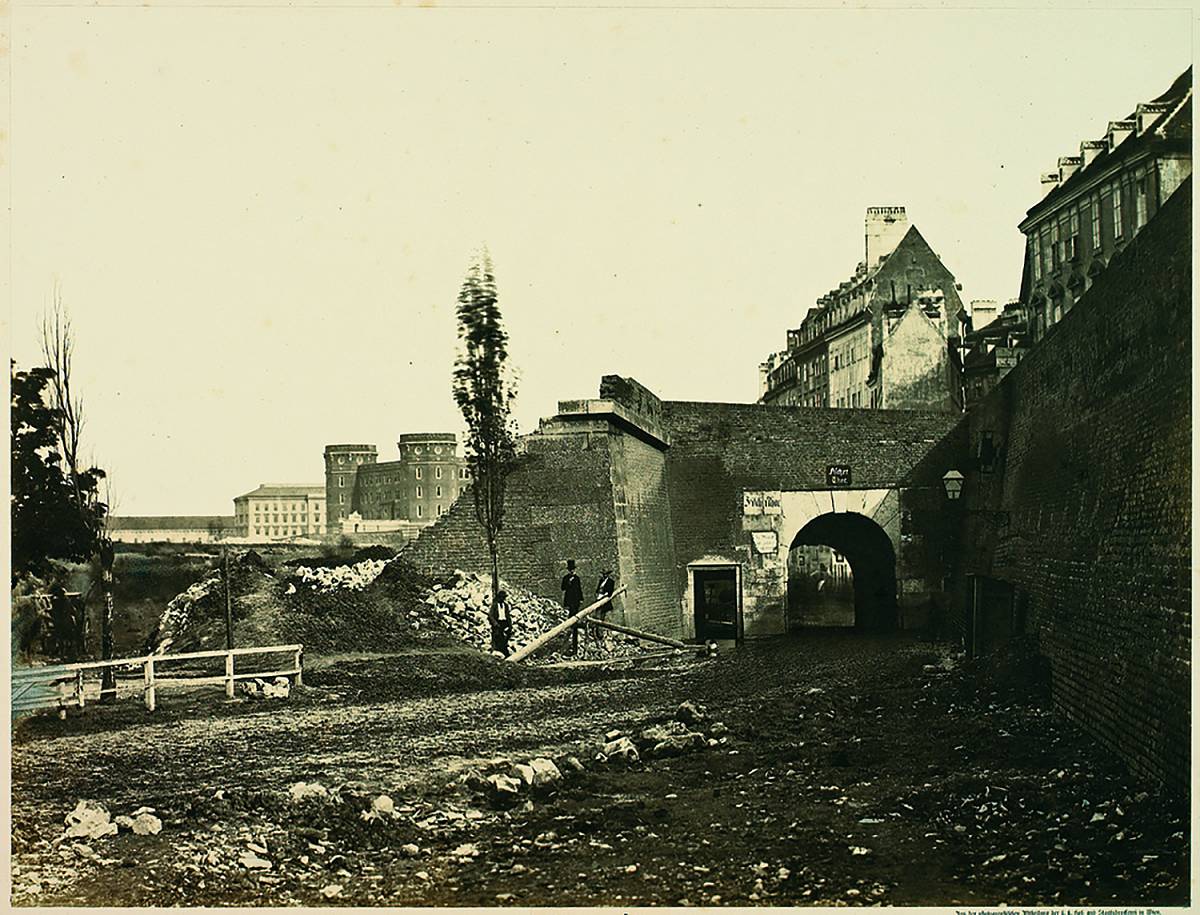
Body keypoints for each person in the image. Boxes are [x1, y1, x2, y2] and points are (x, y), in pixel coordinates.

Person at [560, 559, 583, 655]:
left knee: (575, 613)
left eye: (573, 569)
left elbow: (579, 589)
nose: (572, 571)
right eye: (570, 570)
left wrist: (581, 599)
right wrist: (568, 582)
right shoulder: (565, 578)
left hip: (576, 600)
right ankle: (571, 625)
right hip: (569, 600)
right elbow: (562, 588)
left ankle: (574, 625)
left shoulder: (577, 578)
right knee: (571, 613)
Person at [593, 569, 616, 646]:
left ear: (608, 575)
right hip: (599, 600)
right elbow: (597, 590)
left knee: (604, 618)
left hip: (605, 602)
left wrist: (603, 596)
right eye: (604, 574)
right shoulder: (601, 581)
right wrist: (598, 595)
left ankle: (605, 636)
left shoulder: (611, 582)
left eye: (606, 574)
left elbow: (609, 593)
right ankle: (598, 634)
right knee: (597, 617)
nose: (604, 575)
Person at [489, 590, 513, 657]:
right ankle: (495, 651)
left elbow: (508, 616)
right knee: (496, 636)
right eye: (501, 597)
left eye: (504, 598)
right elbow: (490, 615)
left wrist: (510, 625)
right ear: (499, 597)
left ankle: (504, 651)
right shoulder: (495, 605)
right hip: (498, 623)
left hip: (504, 623)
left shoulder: (506, 605)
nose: (503, 599)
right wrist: (495, 623)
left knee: (504, 638)